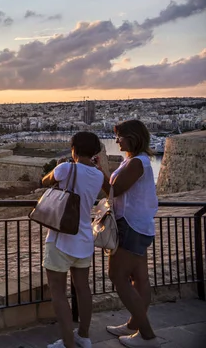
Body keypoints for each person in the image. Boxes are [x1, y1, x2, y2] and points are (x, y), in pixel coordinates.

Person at [96, 120, 159, 348]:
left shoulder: (136, 163)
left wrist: (97, 172)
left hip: (130, 226)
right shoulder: (135, 161)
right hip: (139, 225)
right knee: (139, 278)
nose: (116, 140)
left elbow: (115, 190)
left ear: (132, 136)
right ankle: (134, 324)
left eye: (119, 136)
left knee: (117, 276)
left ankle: (148, 336)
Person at [42, 131, 104, 348]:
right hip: (85, 238)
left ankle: (68, 343)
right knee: (83, 288)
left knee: (58, 292)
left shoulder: (67, 168)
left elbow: (45, 180)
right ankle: (84, 337)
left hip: (60, 239)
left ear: (73, 148)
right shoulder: (98, 175)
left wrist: (63, 163)